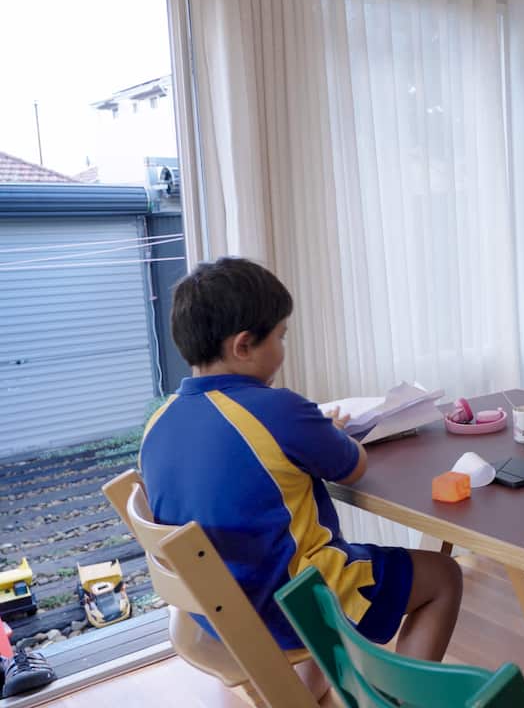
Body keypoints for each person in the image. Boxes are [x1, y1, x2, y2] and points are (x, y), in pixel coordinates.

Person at [139, 257, 462, 693]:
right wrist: (330, 432)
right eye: (280, 336)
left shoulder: (158, 425)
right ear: (243, 346)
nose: (283, 349)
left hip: (218, 613)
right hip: (295, 605)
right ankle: (403, 702)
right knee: (443, 575)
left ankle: (309, 691)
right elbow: (353, 466)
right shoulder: (277, 408)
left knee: (297, 551)